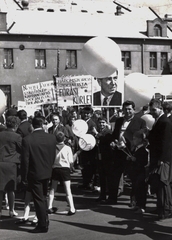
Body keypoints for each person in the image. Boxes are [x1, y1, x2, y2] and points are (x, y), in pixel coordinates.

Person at [21, 117, 56, 233]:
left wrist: (24, 177)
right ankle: (44, 219)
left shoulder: (28, 139)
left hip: (34, 173)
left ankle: (42, 224)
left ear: (32, 126)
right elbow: (53, 156)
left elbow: (25, 161)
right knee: (43, 197)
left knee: (39, 199)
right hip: (47, 171)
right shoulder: (51, 138)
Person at [109, 100, 147, 204]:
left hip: (131, 154)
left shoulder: (140, 122)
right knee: (115, 176)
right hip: (119, 153)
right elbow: (114, 135)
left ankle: (133, 200)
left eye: (129, 109)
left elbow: (142, 138)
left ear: (134, 110)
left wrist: (129, 143)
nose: (127, 111)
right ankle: (112, 198)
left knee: (133, 177)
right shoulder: (118, 121)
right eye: (125, 109)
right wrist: (113, 142)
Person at [147, 99, 172, 220]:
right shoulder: (159, 121)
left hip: (162, 159)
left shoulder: (165, 122)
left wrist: (161, 159)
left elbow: (166, 143)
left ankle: (166, 209)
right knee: (158, 184)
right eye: (151, 110)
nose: (152, 112)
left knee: (163, 184)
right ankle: (161, 207)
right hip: (157, 157)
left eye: (154, 110)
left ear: (160, 108)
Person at [48, 131, 76, 215]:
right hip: (65, 169)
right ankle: (72, 208)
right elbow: (71, 161)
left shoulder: (52, 147)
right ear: (64, 138)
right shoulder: (67, 148)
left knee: (53, 188)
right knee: (68, 189)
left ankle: (49, 206)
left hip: (55, 168)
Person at [0, 116, 22, 218]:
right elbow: (22, 149)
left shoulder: (0, 134)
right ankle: (11, 210)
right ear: (15, 125)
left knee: (0, 189)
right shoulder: (17, 137)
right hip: (11, 163)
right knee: (10, 189)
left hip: (1, 162)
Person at [126, 130, 149, 214]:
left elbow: (144, 162)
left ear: (140, 139)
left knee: (141, 189)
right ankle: (137, 204)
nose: (133, 140)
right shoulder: (135, 149)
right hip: (135, 172)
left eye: (135, 139)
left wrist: (135, 160)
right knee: (136, 189)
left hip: (141, 172)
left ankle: (142, 206)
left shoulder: (143, 150)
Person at [95, 117, 115, 202]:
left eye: (103, 122)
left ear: (106, 123)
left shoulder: (108, 132)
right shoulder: (98, 132)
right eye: (100, 123)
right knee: (102, 177)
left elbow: (106, 140)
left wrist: (97, 135)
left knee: (109, 178)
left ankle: (110, 196)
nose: (101, 124)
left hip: (108, 158)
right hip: (100, 158)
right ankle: (102, 195)